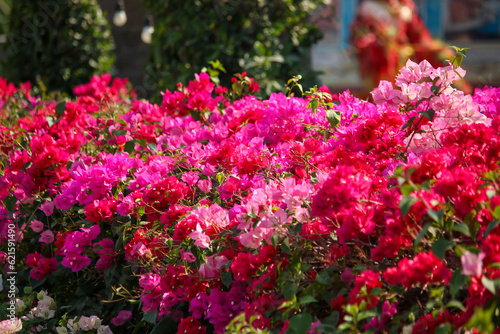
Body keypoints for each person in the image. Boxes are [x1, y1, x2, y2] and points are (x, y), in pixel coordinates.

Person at [350, 0, 468, 91]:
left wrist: (407, 16)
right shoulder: (368, 8)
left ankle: (448, 94)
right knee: (387, 53)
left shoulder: (405, 6)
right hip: (383, 52)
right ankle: (390, 101)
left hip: (410, 50)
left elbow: (420, 37)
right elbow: (360, 38)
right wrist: (380, 40)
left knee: (442, 53)